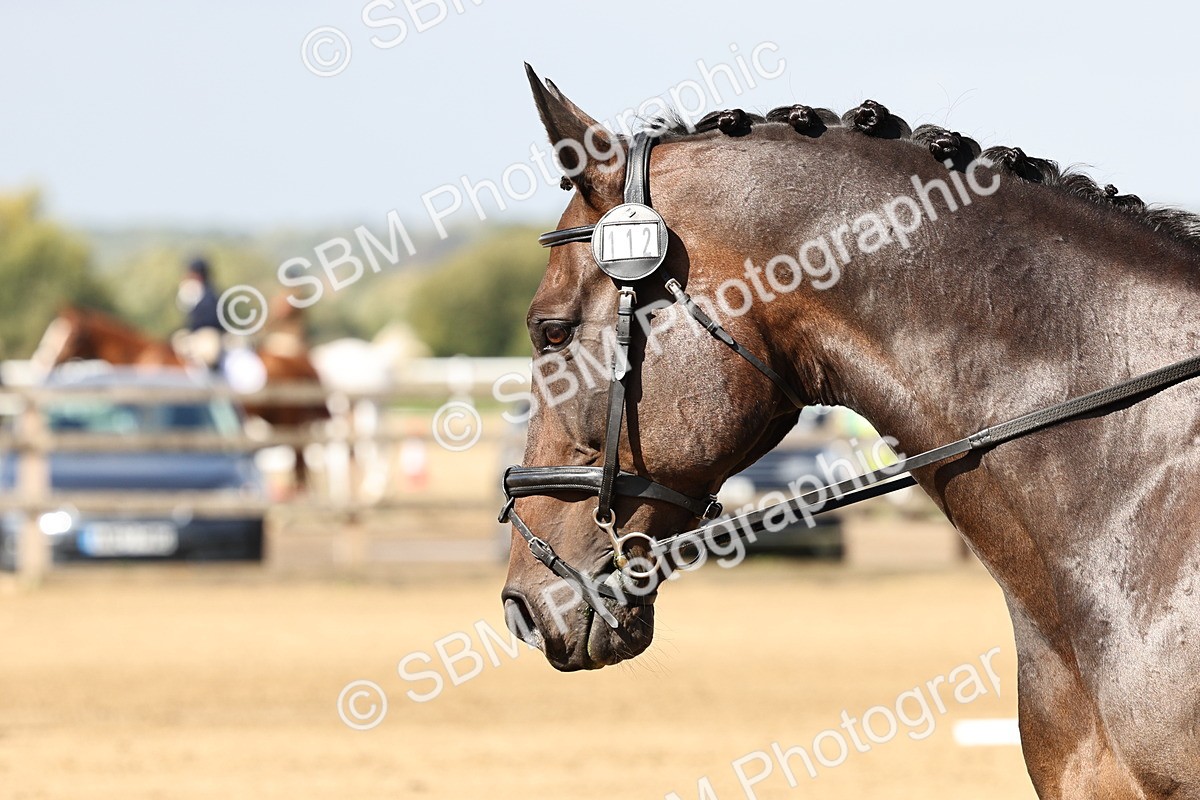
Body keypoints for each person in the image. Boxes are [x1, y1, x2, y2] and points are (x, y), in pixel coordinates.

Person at [173, 256, 223, 369]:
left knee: (210, 353)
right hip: (192, 333)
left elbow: (213, 319)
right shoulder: (191, 293)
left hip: (208, 332)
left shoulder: (212, 294)